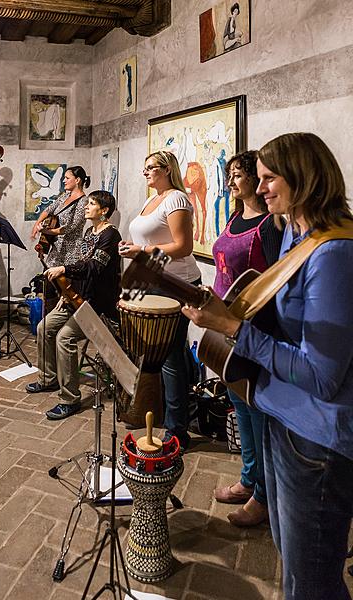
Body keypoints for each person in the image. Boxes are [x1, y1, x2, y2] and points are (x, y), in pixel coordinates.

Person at [183, 132, 353, 600]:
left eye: (269, 178)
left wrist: (236, 331)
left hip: (315, 437)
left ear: (305, 177)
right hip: (282, 416)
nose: (260, 190)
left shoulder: (335, 253)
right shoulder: (298, 235)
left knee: (313, 578)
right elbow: (278, 322)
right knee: (290, 557)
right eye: (257, 179)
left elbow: (322, 375)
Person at [212, 150, 284, 527]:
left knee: (255, 410)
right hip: (226, 324)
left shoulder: (271, 226)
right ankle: (248, 478)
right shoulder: (235, 217)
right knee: (238, 405)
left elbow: (274, 282)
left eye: (237, 175)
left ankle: (263, 496)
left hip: (253, 328)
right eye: (230, 175)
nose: (231, 182)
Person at [119, 150, 201, 450]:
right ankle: (157, 412)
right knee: (156, 355)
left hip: (177, 283)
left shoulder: (177, 198)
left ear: (167, 169)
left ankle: (178, 430)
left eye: (151, 167)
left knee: (171, 358)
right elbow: (152, 241)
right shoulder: (152, 199)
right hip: (153, 278)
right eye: (144, 168)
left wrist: (141, 253)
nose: (146, 172)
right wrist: (134, 247)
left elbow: (182, 247)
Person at [26, 190, 121, 420]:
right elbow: (81, 264)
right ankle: (48, 379)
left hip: (97, 303)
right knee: (44, 327)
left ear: (104, 210)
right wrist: (66, 293)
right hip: (77, 298)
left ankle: (70, 399)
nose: (87, 207)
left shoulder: (111, 236)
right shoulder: (90, 231)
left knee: (64, 338)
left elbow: (93, 268)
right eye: (87, 203)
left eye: (91, 204)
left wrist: (64, 269)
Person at [31, 165, 90, 267]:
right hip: (56, 249)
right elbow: (49, 209)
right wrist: (37, 224)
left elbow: (68, 228)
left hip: (70, 252)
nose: (63, 181)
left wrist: (46, 231)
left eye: (67, 178)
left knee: (61, 281)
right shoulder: (66, 195)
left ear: (77, 180)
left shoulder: (83, 201)